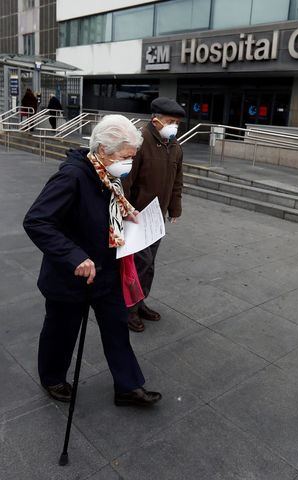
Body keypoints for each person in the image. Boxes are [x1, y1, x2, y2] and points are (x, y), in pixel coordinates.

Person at [23, 114, 161, 407]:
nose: (129, 163)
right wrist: (75, 256)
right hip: (71, 275)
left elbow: (104, 209)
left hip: (106, 270)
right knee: (61, 331)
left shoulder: (108, 175)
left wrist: (126, 214)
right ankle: (52, 378)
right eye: (126, 157)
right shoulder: (72, 177)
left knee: (116, 327)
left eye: (132, 157)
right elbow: (37, 221)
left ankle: (128, 386)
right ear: (103, 150)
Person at [123, 97, 186, 332]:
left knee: (149, 265)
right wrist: (127, 210)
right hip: (136, 215)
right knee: (139, 264)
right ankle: (128, 309)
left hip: (156, 218)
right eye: (171, 121)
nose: (175, 126)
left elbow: (177, 180)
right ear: (156, 120)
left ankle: (139, 303)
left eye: (178, 123)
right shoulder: (140, 142)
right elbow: (126, 181)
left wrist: (174, 209)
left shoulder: (175, 146)